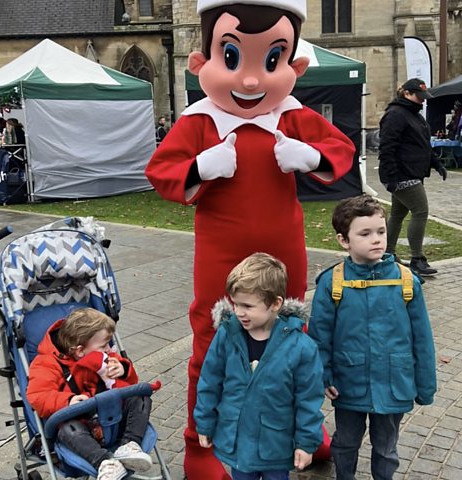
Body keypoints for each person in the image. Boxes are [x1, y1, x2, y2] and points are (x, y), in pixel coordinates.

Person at [145, 1, 354, 476]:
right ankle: (205, 447)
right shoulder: (199, 120)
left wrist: (310, 155)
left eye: (272, 61)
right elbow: (160, 172)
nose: (252, 81)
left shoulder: (292, 114)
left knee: (290, 337)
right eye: (233, 58)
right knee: (214, 338)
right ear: (202, 61)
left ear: (294, 66)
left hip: (284, 252)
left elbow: (340, 150)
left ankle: (301, 433)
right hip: (221, 253)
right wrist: (201, 167)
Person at [308, 195, 437, 480]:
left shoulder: (406, 280)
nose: (376, 239)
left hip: (395, 383)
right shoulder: (332, 282)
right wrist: (324, 377)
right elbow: (319, 337)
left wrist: (425, 386)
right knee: (345, 442)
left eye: (381, 231)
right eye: (365, 234)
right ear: (344, 240)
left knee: (387, 448)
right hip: (347, 384)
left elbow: (422, 340)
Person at [195, 252, 325, 480]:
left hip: (276, 444)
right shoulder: (228, 335)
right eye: (235, 304)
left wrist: (306, 442)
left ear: (275, 303)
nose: (238, 312)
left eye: (247, 305)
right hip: (238, 441)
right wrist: (204, 422)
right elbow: (209, 381)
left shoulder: (301, 347)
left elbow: (308, 398)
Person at [27, 308, 153, 480]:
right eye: (104, 345)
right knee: (66, 428)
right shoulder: (46, 364)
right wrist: (69, 400)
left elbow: (129, 384)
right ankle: (105, 462)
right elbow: (38, 396)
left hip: (113, 421)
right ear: (79, 351)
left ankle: (130, 445)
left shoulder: (107, 357)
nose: (109, 349)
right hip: (81, 429)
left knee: (140, 397)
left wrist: (123, 369)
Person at [378, 77, 447, 276]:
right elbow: (387, 148)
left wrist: (436, 163)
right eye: (419, 96)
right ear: (406, 94)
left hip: (411, 172)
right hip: (401, 174)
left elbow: (423, 145)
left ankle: (387, 253)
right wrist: (390, 177)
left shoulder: (414, 115)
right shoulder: (395, 115)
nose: (423, 100)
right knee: (420, 211)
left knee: (399, 214)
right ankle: (417, 259)